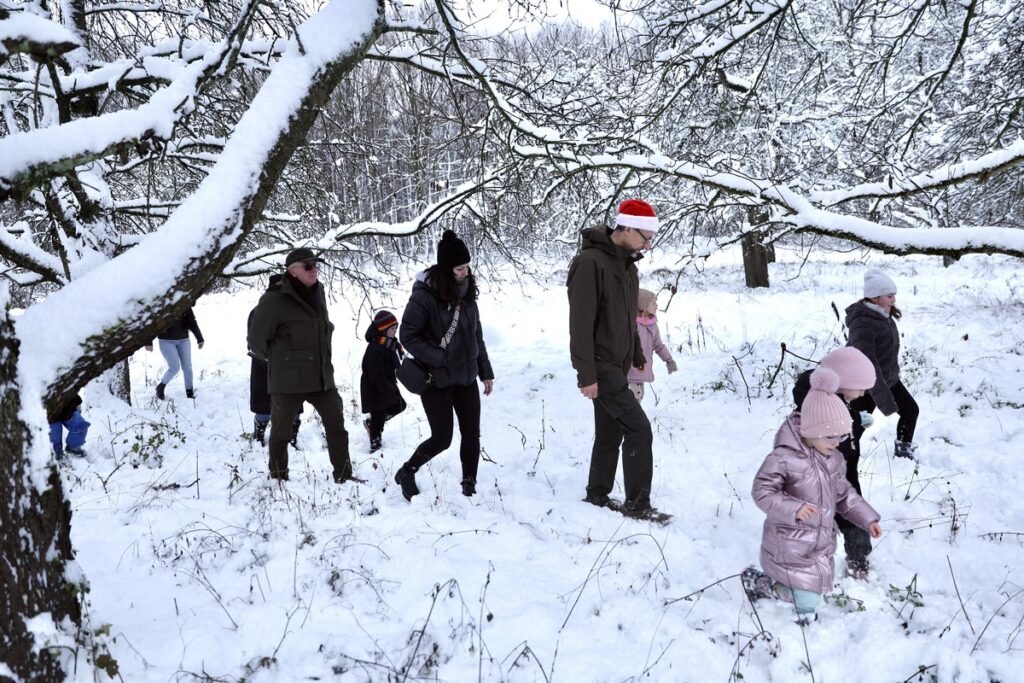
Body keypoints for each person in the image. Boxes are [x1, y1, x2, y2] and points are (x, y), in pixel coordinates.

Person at [744, 367, 883, 619]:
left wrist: (867, 518)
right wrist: (793, 509)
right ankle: (765, 588)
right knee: (807, 595)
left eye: (840, 436)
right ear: (810, 429)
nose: (836, 442)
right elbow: (762, 490)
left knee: (811, 589)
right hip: (789, 542)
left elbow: (844, 496)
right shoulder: (784, 458)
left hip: (818, 544)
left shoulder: (833, 460)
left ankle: (802, 614)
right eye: (830, 436)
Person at [567, 198, 663, 518]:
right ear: (623, 227)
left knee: (610, 432)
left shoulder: (628, 267)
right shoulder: (590, 263)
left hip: (618, 365)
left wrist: (635, 352)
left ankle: (597, 494)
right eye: (644, 237)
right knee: (639, 429)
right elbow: (580, 324)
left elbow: (626, 317)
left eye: (651, 238)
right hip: (600, 365)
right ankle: (638, 504)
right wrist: (587, 375)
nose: (648, 245)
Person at [393, 230, 495, 500]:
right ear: (446, 270)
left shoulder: (468, 295)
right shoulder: (424, 296)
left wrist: (485, 371)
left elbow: (476, 335)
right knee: (442, 438)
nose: (466, 272)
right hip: (436, 380)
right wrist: (440, 359)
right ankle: (407, 471)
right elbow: (408, 335)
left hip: (465, 377)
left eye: (467, 266)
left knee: (471, 433)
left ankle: (469, 482)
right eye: (460, 268)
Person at [247, 247, 357, 484]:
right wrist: (283, 360)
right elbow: (256, 342)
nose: (314, 270)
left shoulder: (319, 291)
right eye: (308, 266)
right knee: (280, 434)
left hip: (321, 377)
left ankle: (344, 476)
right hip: (287, 382)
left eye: (316, 265)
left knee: (337, 426)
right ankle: (278, 479)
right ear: (292, 271)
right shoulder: (274, 299)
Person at [792, 347, 878, 579]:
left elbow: (842, 425)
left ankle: (857, 559)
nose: (862, 395)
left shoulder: (836, 399)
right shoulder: (819, 406)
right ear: (840, 382)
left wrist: (855, 420)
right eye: (860, 388)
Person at [845, 269, 920, 460]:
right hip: (864, 384)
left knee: (910, 410)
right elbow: (868, 365)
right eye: (889, 296)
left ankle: (903, 452)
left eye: (894, 295)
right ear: (875, 297)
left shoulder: (884, 315)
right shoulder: (862, 323)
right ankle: (842, 457)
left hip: (888, 379)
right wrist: (884, 399)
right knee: (859, 424)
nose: (894, 299)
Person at [247, 274, 301, 449]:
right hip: (264, 364)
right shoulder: (258, 311)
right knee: (263, 405)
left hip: (290, 365)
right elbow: (254, 341)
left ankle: (291, 438)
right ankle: (259, 436)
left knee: (292, 404)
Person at [360, 309, 407, 452]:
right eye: (392, 328)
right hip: (374, 388)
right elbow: (375, 375)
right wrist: (389, 388)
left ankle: (373, 423)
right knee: (379, 412)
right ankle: (375, 444)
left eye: (395, 328)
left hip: (385, 384)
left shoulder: (389, 344)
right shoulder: (375, 348)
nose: (395, 331)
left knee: (399, 405)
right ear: (383, 329)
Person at [627, 288, 678, 401]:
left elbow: (659, 346)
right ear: (644, 305)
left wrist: (669, 360)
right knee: (632, 400)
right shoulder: (632, 324)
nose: (656, 305)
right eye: (653, 303)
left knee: (639, 398)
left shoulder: (652, 325)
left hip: (642, 370)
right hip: (630, 371)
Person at [146, 306, 204, 399]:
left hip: (184, 340)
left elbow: (192, 322)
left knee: (187, 367)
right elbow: (153, 324)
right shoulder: (161, 304)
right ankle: (161, 387)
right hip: (166, 341)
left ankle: (190, 393)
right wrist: (148, 341)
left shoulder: (184, 303)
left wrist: (199, 338)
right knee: (174, 367)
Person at [48, 393, 90, 458]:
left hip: (66, 408)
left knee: (81, 426)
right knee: (55, 441)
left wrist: (76, 400)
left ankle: (73, 447)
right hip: (50, 415)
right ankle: (57, 455)